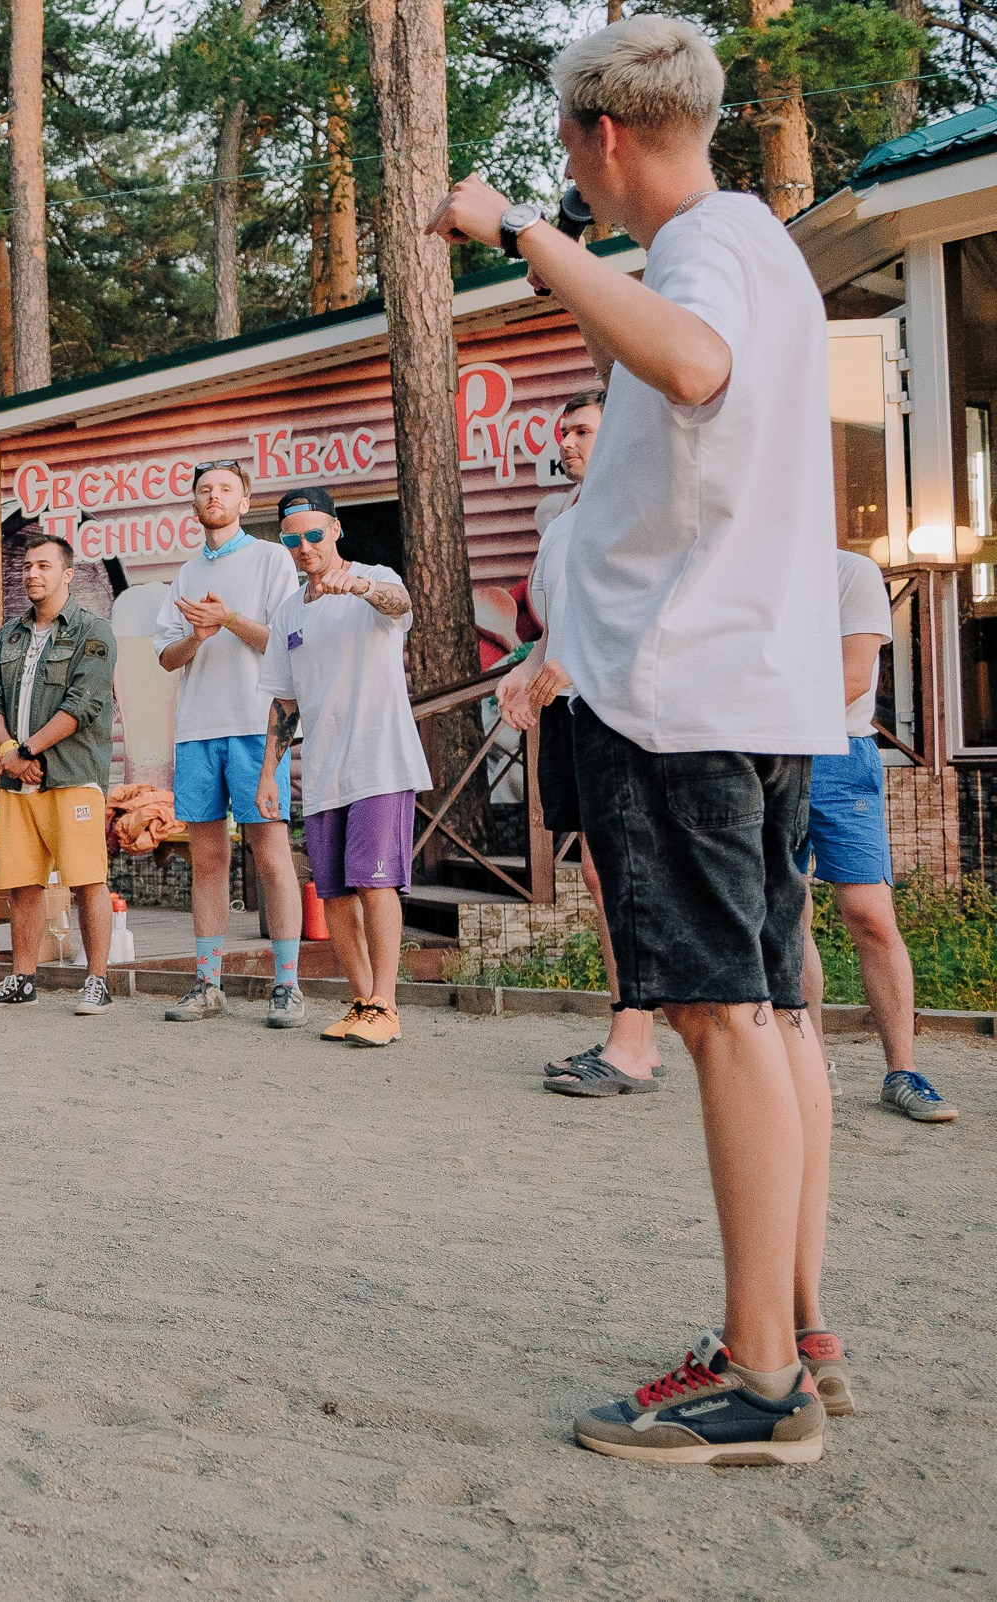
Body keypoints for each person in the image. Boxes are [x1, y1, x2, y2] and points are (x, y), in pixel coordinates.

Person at [429, 14, 843, 1464]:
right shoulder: (763, 243)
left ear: (603, 138)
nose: (571, 177)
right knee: (770, 1009)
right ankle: (798, 1330)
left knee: (724, 1017)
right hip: (749, 687)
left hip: (685, 698)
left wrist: (522, 233)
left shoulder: (702, 251)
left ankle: (759, 1376)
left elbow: (690, 366)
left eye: (567, 155)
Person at [497, 389, 669, 1097]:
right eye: (562, 431)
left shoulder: (637, 506)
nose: (565, 442)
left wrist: (586, 661)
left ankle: (637, 1040)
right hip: (569, 710)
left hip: (623, 709)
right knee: (599, 874)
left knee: (624, 872)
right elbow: (558, 624)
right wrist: (526, 670)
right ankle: (630, 1034)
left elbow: (655, 610)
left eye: (582, 430)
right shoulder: (562, 523)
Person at [253, 487, 432, 1049]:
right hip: (325, 771)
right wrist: (267, 774)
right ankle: (362, 1002)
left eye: (313, 535)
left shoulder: (375, 579)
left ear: (335, 530)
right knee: (333, 892)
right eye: (292, 539)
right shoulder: (287, 611)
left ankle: (387, 1003)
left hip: (380, 761)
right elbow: (284, 702)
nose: (304, 547)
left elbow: (400, 607)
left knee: (376, 883)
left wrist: (357, 586)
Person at [148, 461, 306, 1027]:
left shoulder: (271, 559)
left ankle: (287, 985)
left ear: (244, 501)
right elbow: (166, 657)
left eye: (225, 489)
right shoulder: (186, 573)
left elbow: (286, 642)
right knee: (207, 861)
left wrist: (230, 618)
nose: (213, 497)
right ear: (194, 503)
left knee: (270, 852)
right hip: (197, 730)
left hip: (255, 727)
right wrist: (197, 635)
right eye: (204, 490)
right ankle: (207, 983)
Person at [803, 551, 955, 1123]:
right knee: (788, 912)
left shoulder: (850, 572)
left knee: (870, 915)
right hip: (766, 759)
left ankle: (903, 1071)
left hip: (839, 757)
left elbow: (852, 678)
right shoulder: (753, 567)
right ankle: (810, 1064)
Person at [0, 533, 119, 1015]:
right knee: (21, 882)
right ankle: (22, 978)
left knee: (87, 879)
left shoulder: (93, 631)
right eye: (28, 566)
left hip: (73, 775)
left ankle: (97, 980)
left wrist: (28, 749)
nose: (32, 574)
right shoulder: (9, 633)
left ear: (67, 574)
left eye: (44, 566)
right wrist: (11, 751)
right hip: (19, 779)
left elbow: (83, 706)